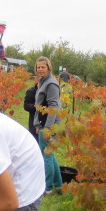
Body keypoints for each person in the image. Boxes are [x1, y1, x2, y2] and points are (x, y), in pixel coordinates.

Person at [33, 56, 63, 195]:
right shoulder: (43, 82)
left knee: (47, 156)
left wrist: (48, 128)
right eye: (38, 67)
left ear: (48, 68)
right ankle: (58, 184)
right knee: (50, 154)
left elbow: (53, 107)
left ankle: (48, 188)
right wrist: (37, 123)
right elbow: (39, 106)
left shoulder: (51, 84)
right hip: (43, 123)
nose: (40, 69)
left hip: (49, 125)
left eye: (43, 67)